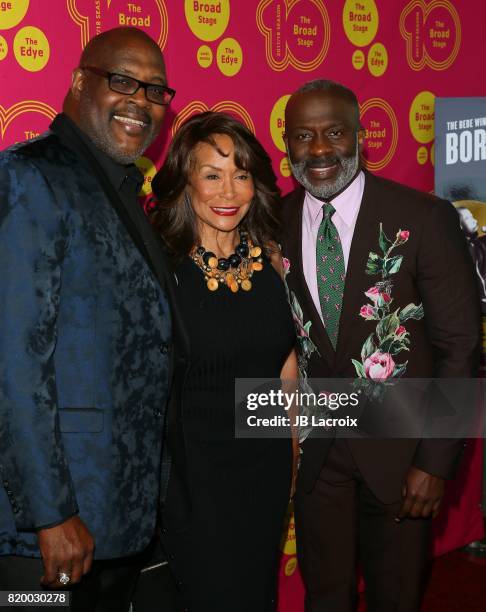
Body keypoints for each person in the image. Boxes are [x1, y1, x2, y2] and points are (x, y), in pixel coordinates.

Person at [0, 27, 183, 611]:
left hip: (117, 520)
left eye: (156, 91)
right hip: (46, 535)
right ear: (79, 82)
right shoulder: (31, 176)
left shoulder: (124, 190)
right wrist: (51, 513)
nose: (141, 101)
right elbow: (13, 362)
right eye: (123, 81)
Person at [280, 79, 481, 612]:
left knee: (396, 598)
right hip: (317, 457)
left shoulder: (423, 218)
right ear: (286, 145)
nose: (320, 149)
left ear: (360, 138)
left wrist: (436, 462)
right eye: (303, 136)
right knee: (325, 597)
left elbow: (461, 347)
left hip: (404, 456)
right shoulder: (271, 222)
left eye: (334, 132)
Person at [150, 111, 297, 612]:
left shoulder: (273, 262)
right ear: (184, 183)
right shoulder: (162, 271)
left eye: (241, 175)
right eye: (212, 175)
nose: (229, 191)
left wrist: (293, 463)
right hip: (194, 483)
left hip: (265, 474)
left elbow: (286, 377)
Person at [456, 206, 486, 313]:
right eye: (468, 218)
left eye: (472, 216)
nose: (475, 220)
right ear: (459, 225)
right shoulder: (458, 250)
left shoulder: (479, 244)